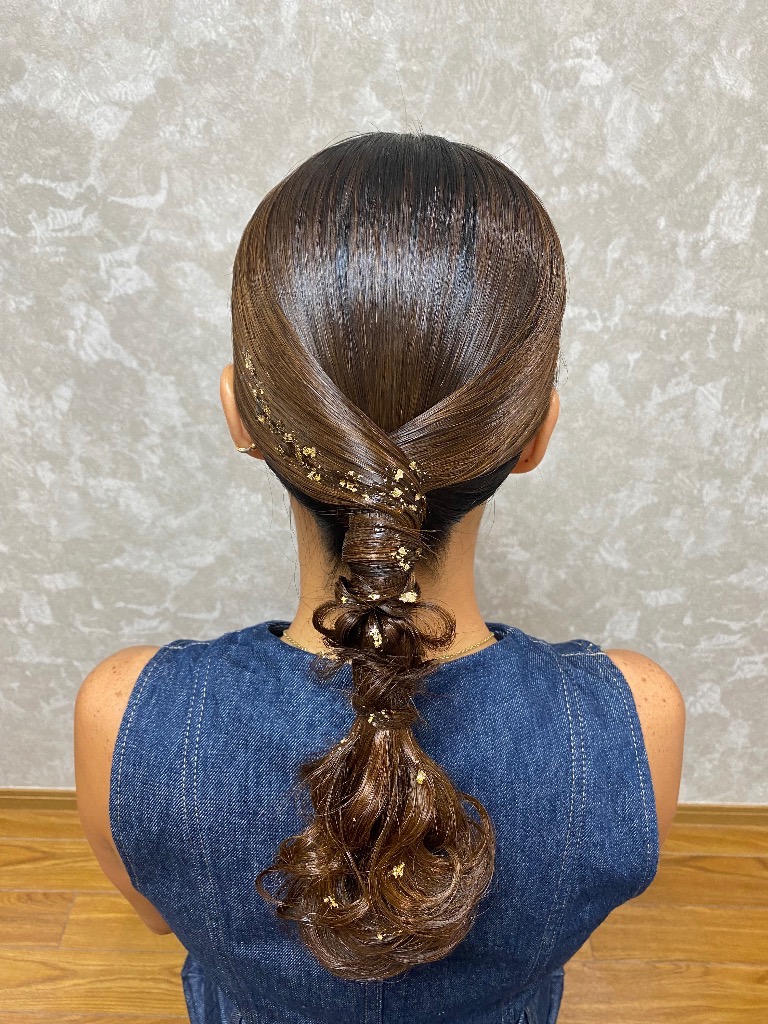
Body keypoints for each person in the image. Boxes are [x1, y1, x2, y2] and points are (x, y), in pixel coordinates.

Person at [74, 130, 686, 1024]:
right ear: (535, 435)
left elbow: (160, 919)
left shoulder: (124, 715)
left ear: (240, 413)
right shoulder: (636, 721)